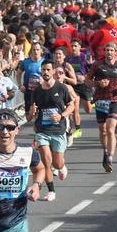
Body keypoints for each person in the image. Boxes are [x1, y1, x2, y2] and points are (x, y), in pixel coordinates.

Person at [27, 60, 75, 201]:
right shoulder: (37, 91)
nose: (46, 72)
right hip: (42, 130)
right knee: (46, 162)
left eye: (48, 69)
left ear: (53, 71)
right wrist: (31, 111)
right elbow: (29, 117)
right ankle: (51, 190)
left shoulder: (61, 88)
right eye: (43, 70)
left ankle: (62, 166)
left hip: (58, 130)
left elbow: (71, 105)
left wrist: (62, 115)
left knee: (57, 163)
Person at [86, 43, 117, 173]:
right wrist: (97, 83)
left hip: (114, 100)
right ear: (104, 52)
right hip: (100, 100)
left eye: (111, 50)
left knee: (110, 129)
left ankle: (110, 158)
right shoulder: (97, 66)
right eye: (107, 50)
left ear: (116, 52)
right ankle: (105, 152)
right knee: (103, 130)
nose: (109, 52)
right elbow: (86, 80)